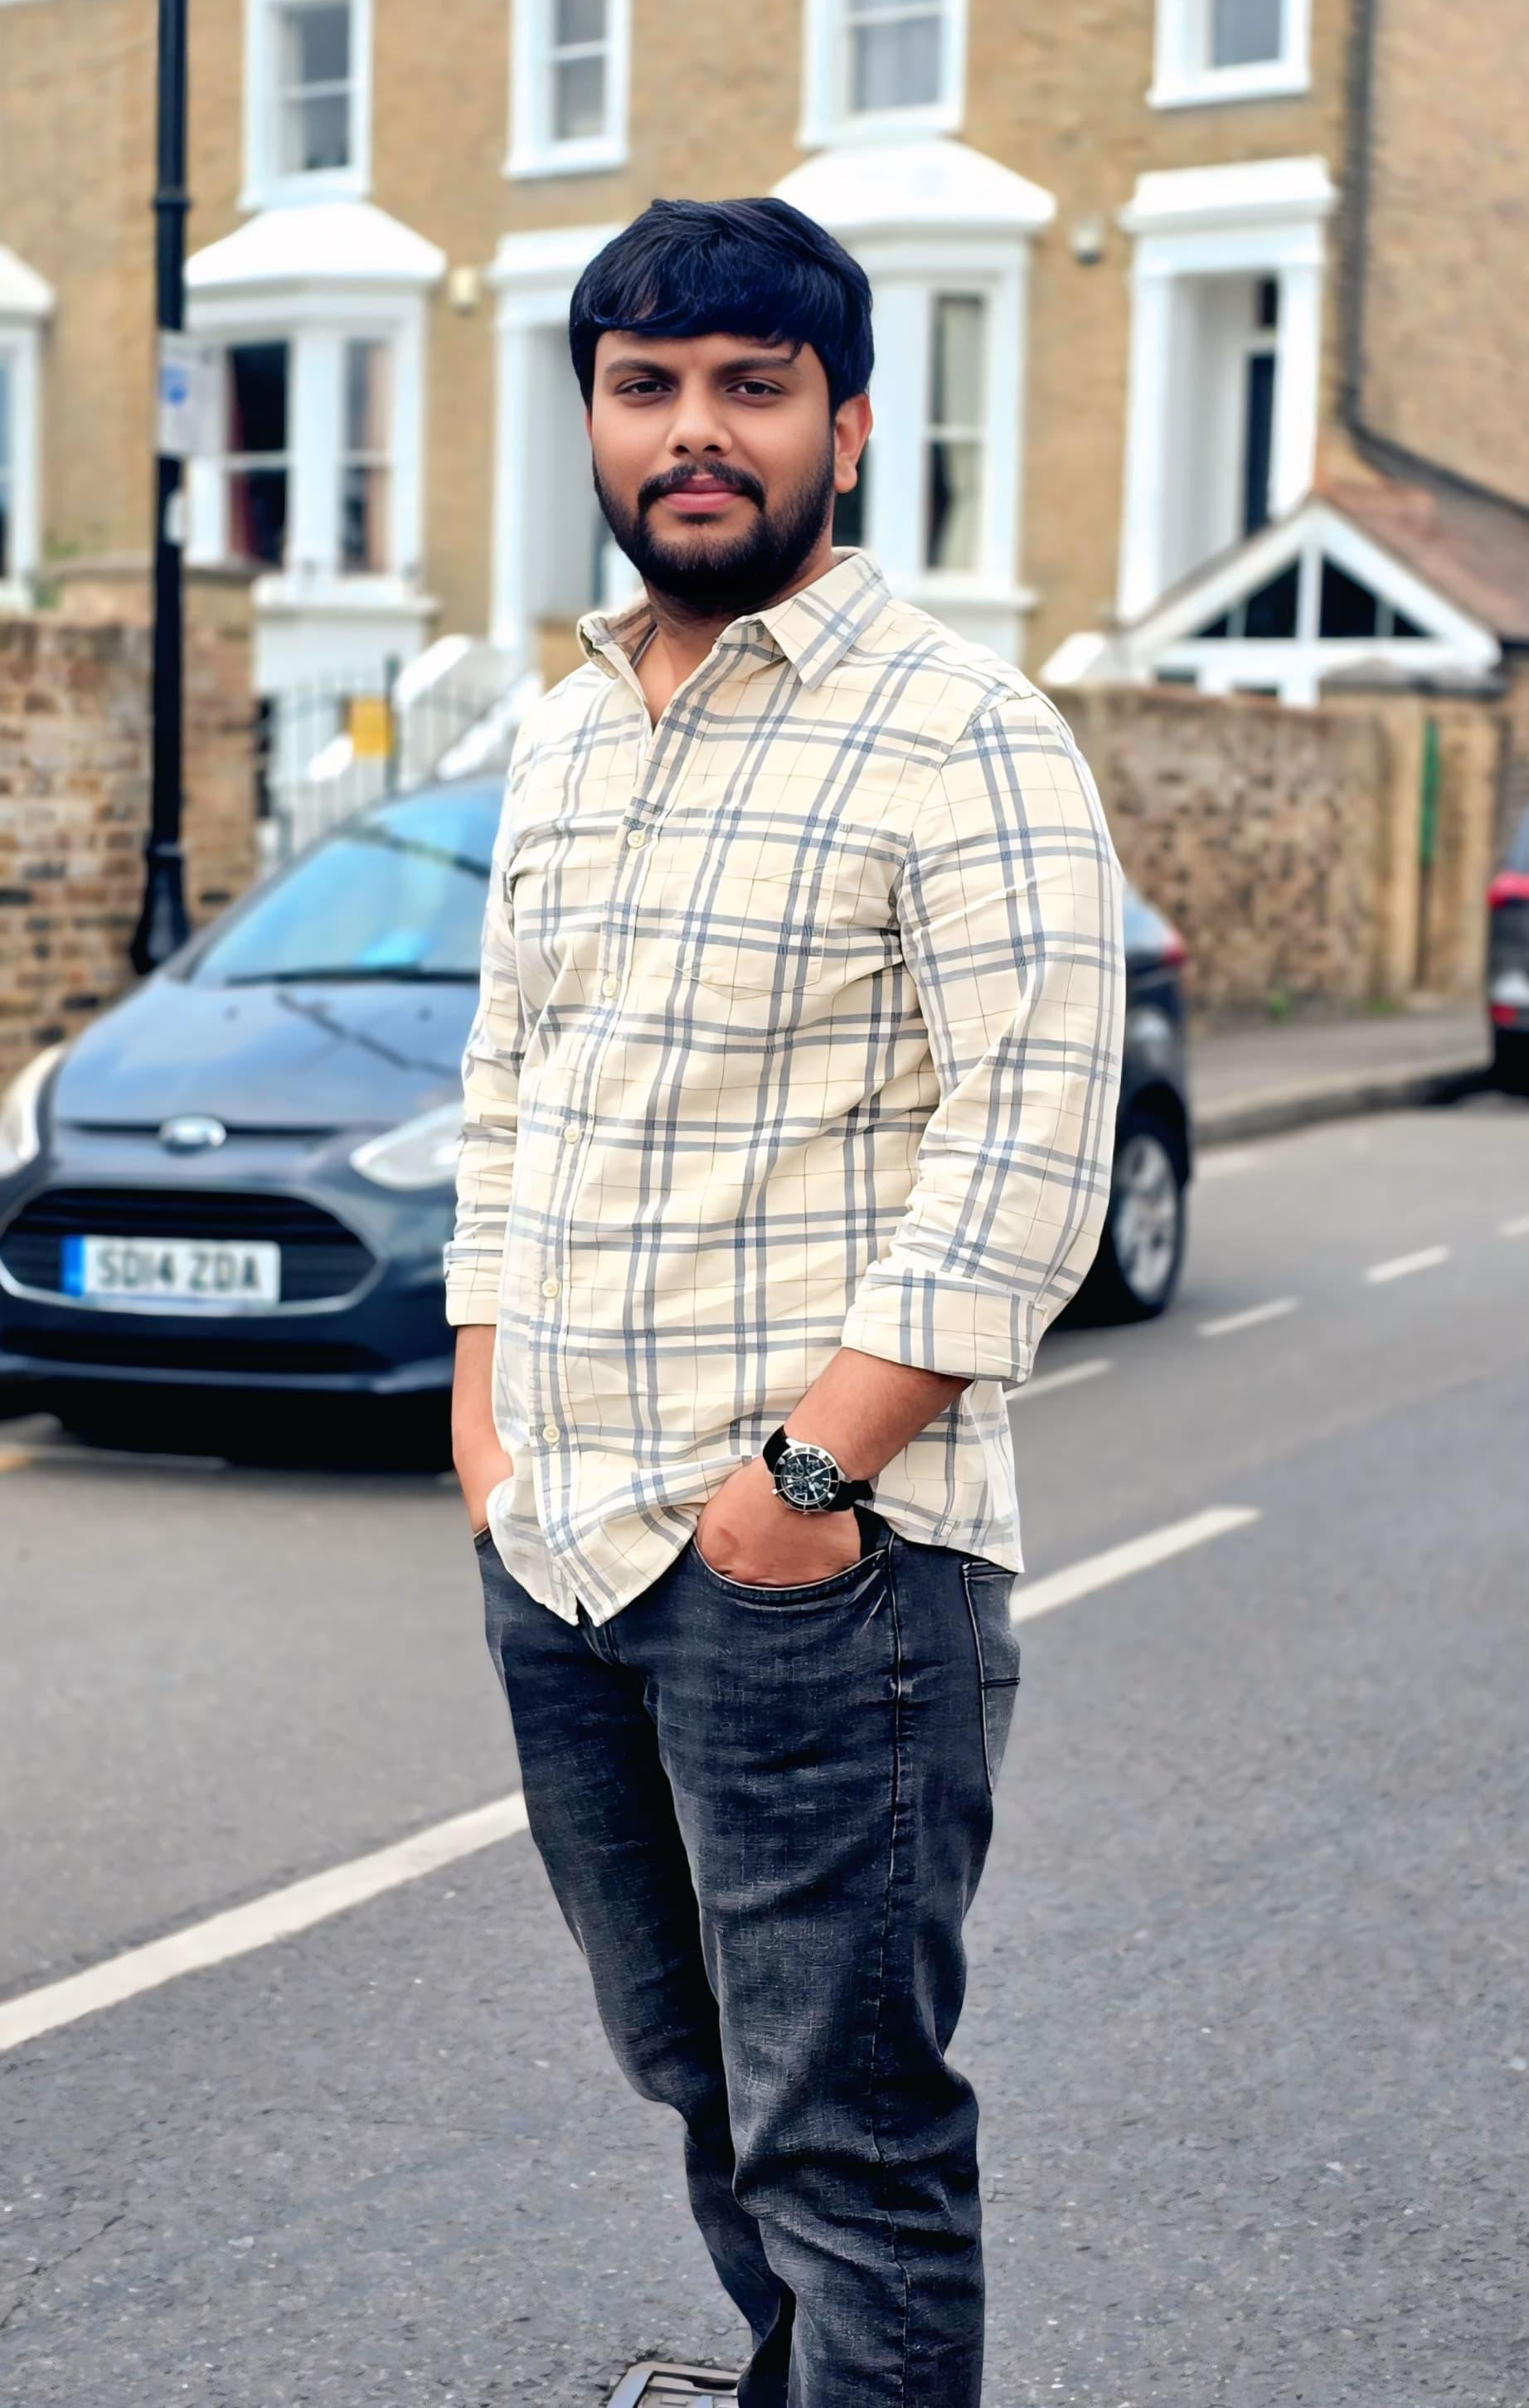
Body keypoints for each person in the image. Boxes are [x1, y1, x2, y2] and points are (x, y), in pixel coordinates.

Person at [448, 194, 1124, 2408]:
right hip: (562, 1545)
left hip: (815, 1574)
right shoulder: (566, 733)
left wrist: (805, 1483)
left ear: (846, 423)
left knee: (844, 2138)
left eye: (752, 386)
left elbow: (1027, 1155)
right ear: (590, 419)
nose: (694, 432)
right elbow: (508, 1094)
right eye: (644, 387)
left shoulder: (963, 732)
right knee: (697, 2080)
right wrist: (481, 1422)